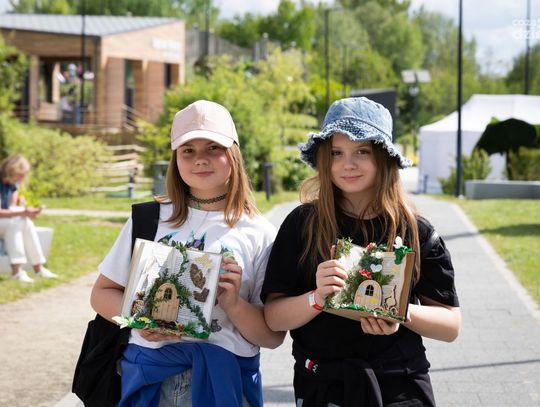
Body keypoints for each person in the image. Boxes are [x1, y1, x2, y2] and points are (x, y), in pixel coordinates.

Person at [261, 97, 461, 407]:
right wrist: (317, 297)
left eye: (362, 151)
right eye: (336, 153)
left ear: (384, 157)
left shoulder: (415, 230)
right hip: (324, 385)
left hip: (401, 384)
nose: (348, 164)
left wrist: (401, 313)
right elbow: (274, 318)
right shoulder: (302, 224)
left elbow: (450, 325)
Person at [90, 100, 284, 406]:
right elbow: (101, 293)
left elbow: (272, 337)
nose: (200, 160)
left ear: (233, 153)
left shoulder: (260, 233)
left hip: (225, 382)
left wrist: (233, 304)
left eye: (213, 148)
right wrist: (139, 319)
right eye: (188, 150)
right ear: (175, 158)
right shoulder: (149, 218)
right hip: (151, 381)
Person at [0, 155, 57, 283]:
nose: (22, 178)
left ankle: (38, 267)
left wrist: (28, 213)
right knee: (14, 224)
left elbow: (13, 208)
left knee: (26, 222)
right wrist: (23, 212)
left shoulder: (13, 185)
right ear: (10, 171)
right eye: (19, 175)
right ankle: (16, 270)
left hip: (4, 222)